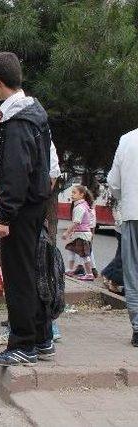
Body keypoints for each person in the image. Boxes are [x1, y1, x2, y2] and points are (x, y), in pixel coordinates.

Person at [0, 52, 53, 367]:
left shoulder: (15, 121)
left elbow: (14, 172)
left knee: (19, 277)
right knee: (34, 270)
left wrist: (3, 217)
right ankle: (41, 338)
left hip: (20, 211)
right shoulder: (35, 112)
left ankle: (23, 343)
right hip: (36, 206)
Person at [107, 127, 138, 347]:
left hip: (132, 213)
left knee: (133, 272)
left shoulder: (127, 140)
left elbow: (114, 183)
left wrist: (126, 198)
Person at [62, 186, 95, 281]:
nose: (72, 195)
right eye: (72, 192)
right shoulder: (83, 205)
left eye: (74, 193)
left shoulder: (80, 207)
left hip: (82, 235)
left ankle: (89, 274)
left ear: (82, 194)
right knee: (71, 249)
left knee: (84, 255)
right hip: (79, 234)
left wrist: (67, 233)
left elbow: (76, 222)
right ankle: (70, 269)